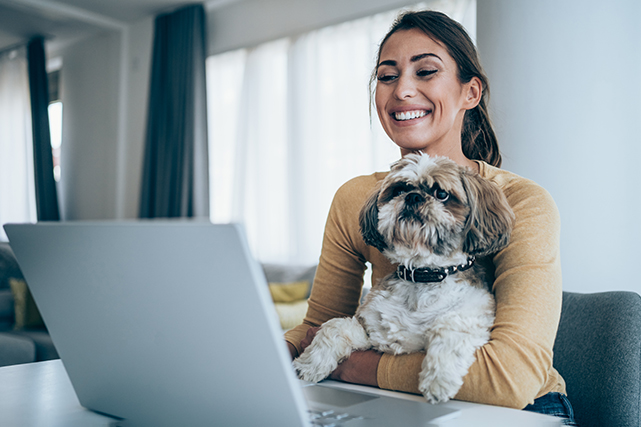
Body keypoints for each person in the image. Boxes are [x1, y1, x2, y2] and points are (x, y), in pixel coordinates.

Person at [285, 10, 577, 426]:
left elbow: (511, 379)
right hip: (389, 400)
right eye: (387, 76)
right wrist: (266, 356)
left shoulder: (521, 201)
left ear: (470, 92)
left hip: (522, 409)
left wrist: (353, 367)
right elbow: (317, 328)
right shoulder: (357, 198)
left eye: (425, 72)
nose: (403, 90)